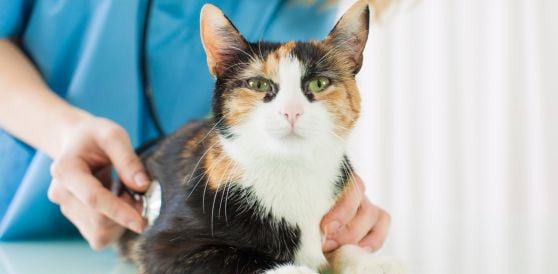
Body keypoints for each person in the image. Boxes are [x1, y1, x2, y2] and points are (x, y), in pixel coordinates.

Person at [0, 0, 390, 253]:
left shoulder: (306, 4)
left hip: (197, 241)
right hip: (19, 234)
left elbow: (277, 120)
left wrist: (321, 184)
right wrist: (63, 131)